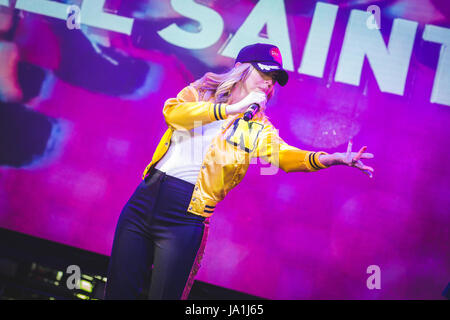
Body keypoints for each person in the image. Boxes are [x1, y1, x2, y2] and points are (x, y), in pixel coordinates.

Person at [103, 43, 374, 300]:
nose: (269, 83)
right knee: (119, 291)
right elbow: (174, 115)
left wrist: (330, 158)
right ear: (243, 68)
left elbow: (286, 157)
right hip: (144, 201)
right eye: (264, 72)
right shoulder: (200, 93)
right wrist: (231, 109)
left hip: (185, 217)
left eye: (275, 79)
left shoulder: (258, 127)